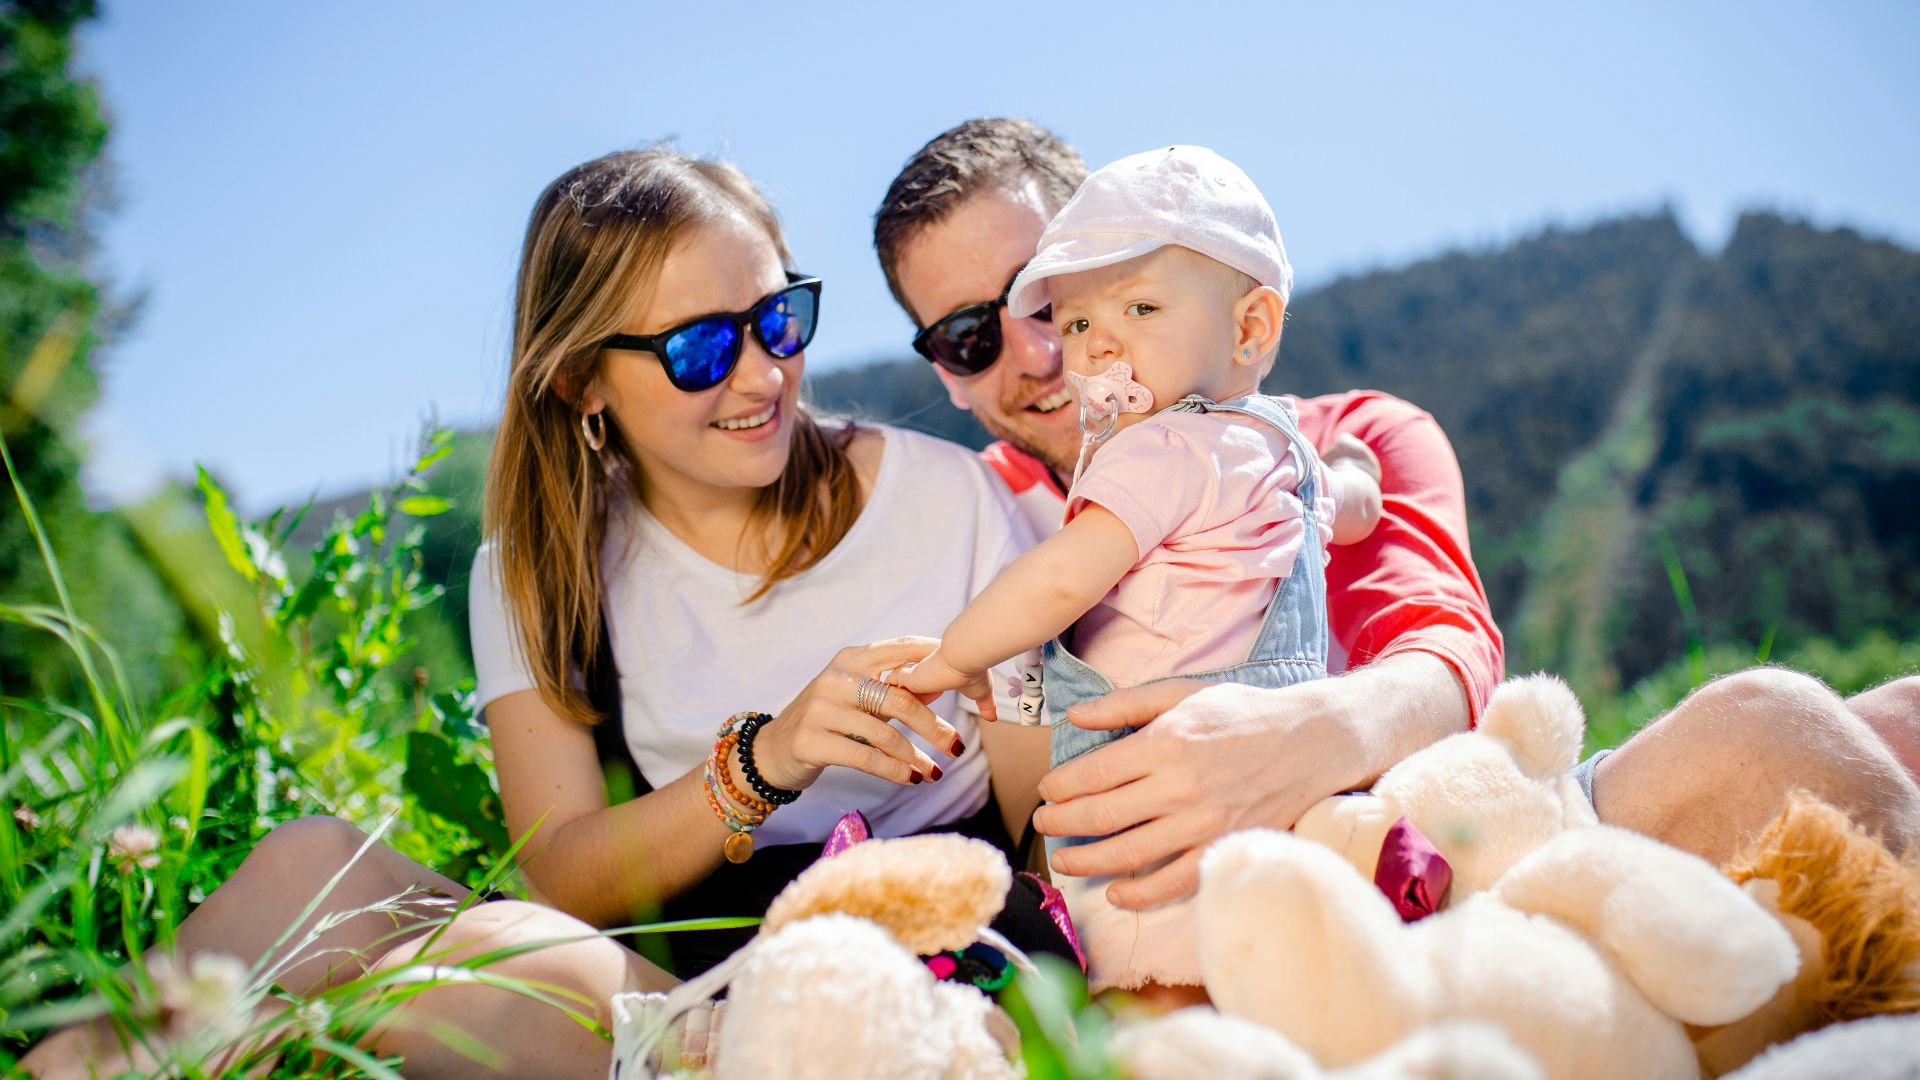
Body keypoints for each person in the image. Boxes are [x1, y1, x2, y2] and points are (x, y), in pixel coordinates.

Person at [26, 147, 1052, 1079]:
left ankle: (206, 1055)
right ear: (580, 381)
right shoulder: (538, 569)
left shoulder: (942, 499)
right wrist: (763, 761)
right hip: (688, 975)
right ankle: (73, 1063)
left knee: (480, 960)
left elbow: (1042, 834)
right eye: (699, 349)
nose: (761, 372)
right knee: (308, 860)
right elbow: (564, 873)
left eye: (779, 317)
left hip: (912, 973)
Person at [872, 118, 1920, 904]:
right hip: (1155, 915)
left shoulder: (1343, 436)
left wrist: (1303, 733)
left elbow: (1447, 655)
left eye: (1047, 297)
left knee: (1821, 731)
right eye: (971, 337)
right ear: (948, 379)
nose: (1047, 350)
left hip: (1423, 848)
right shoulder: (980, 520)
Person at [898, 144, 1383, 996]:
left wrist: (950, 659)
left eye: (1141, 307)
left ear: (1251, 328)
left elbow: (1057, 584)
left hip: (1153, 820)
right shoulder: (1282, 446)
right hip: (1280, 789)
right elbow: (1354, 507)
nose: (1087, 351)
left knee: (1150, 984)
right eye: (1080, 322)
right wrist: (1352, 465)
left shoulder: (1154, 451)